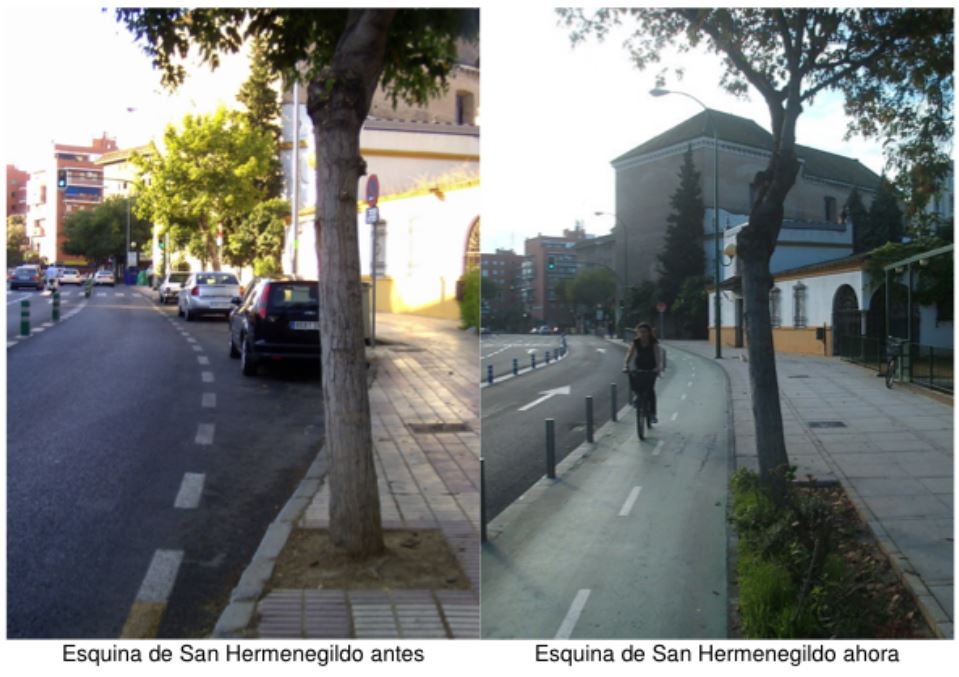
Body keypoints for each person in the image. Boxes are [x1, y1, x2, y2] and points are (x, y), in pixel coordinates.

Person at [623, 322, 665, 423]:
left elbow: (657, 355)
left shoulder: (653, 342)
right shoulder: (636, 342)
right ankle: (638, 397)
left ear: (649, 332)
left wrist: (657, 367)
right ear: (637, 333)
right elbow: (630, 353)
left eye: (645, 332)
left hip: (651, 367)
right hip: (640, 365)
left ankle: (653, 414)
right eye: (640, 332)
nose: (643, 334)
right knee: (636, 384)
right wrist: (626, 365)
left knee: (650, 389)